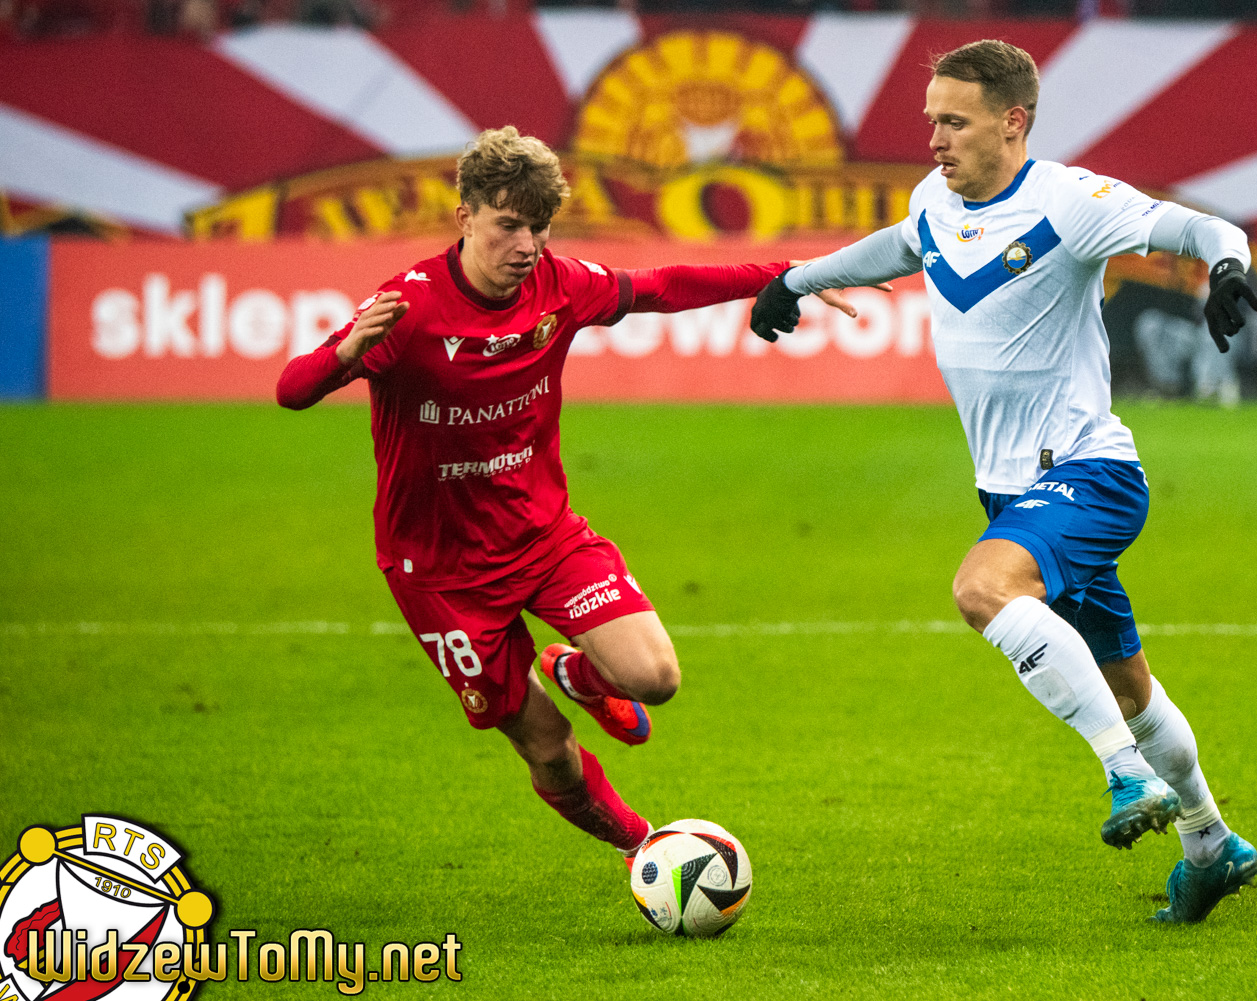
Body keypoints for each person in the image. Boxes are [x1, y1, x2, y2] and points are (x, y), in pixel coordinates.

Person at [750, 40, 1257, 924]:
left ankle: (1124, 773)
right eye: (932, 121)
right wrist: (795, 280)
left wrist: (1225, 266)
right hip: (1013, 493)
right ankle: (1212, 843)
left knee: (981, 588)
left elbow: (1199, 228)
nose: (935, 139)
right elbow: (900, 246)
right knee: (1130, 687)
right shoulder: (935, 200)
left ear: (1012, 121)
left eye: (954, 121)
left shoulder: (1069, 202)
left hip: (1089, 474)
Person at [277, 126, 864, 868]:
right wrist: (344, 355)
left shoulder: (560, 284)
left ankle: (574, 673)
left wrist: (785, 274)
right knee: (548, 747)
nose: (526, 245)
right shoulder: (410, 308)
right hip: (441, 573)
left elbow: (661, 286)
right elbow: (291, 389)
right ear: (465, 218)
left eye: (539, 226)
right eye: (508, 225)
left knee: (655, 678)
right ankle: (643, 847)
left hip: (543, 535)